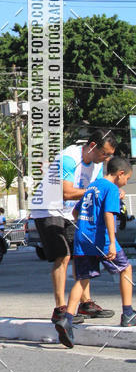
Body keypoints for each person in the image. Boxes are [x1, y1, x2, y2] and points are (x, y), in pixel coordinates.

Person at [30, 130, 117, 325]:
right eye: (105, 153)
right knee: (63, 255)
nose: (107, 158)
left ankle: (85, 303)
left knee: (81, 255)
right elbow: (67, 193)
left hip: (69, 212)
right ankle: (60, 308)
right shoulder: (69, 158)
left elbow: (94, 193)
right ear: (93, 146)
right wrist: (96, 191)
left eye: (110, 155)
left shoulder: (97, 165)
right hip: (47, 209)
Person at [56, 156, 136, 348]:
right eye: (127, 179)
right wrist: (110, 242)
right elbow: (109, 214)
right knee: (126, 269)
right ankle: (128, 313)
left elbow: (76, 213)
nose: (126, 183)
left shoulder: (92, 187)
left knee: (82, 279)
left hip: (83, 238)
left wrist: (86, 224)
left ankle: (67, 319)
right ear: (120, 174)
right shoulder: (111, 189)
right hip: (102, 239)